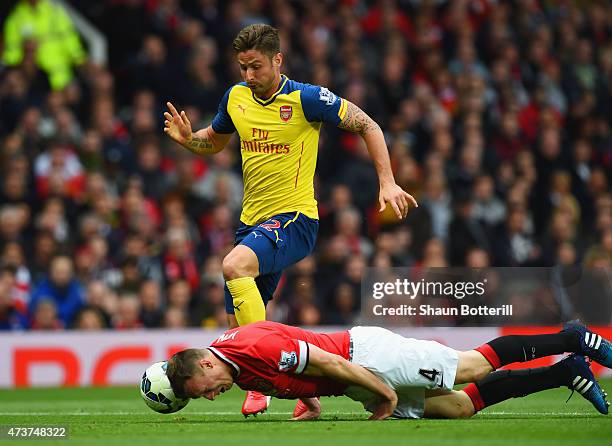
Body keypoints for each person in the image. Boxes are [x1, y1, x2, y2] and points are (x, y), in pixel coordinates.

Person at [163, 23, 417, 416]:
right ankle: (308, 398)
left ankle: (257, 387)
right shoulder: (235, 98)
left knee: (233, 266)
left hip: (296, 218)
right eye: (243, 67)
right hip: (252, 224)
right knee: (246, 328)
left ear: (278, 60)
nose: (249, 75)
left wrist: (387, 182)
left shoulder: (308, 98)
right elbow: (213, 140)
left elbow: (369, 125)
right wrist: (188, 140)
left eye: (257, 67)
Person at [165, 320, 611, 420]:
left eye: (200, 388)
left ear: (204, 364)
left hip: (366, 356)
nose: (208, 395)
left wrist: (387, 394)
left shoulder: (251, 348)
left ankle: (572, 338)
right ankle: (565, 370)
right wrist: (311, 401)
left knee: (471, 368)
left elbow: (330, 361)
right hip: (353, 379)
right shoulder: (233, 364)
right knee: (458, 408)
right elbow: (290, 369)